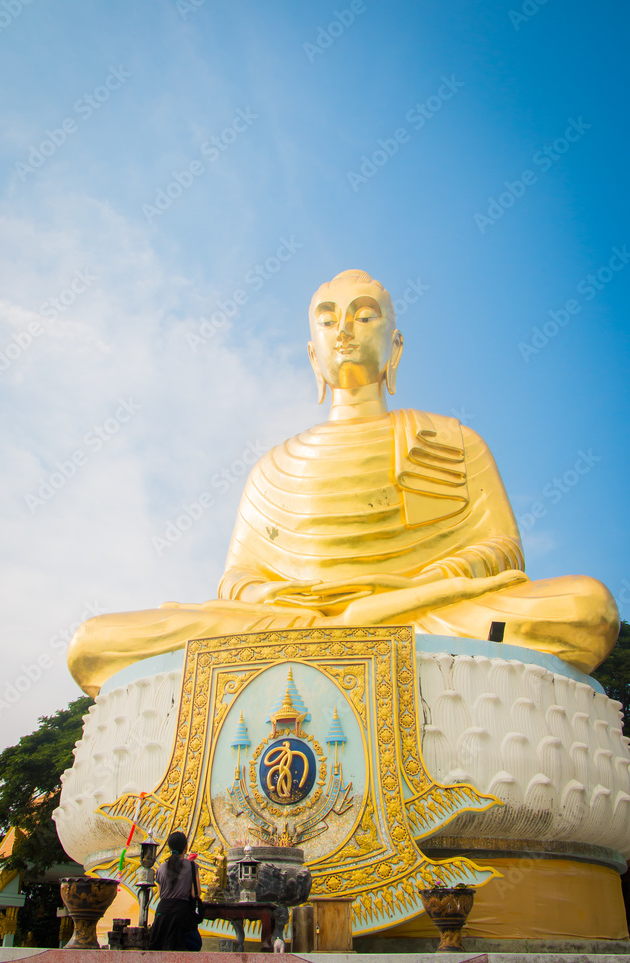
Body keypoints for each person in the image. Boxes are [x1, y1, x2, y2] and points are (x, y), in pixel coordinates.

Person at [68, 269, 618, 697]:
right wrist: (290, 603)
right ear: (313, 352)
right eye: (328, 320)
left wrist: (413, 588)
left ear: (395, 346)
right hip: (290, 621)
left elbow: (500, 551)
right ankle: (327, 636)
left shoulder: (448, 439)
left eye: (364, 316)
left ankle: (332, 638)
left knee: (585, 608)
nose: (345, 332)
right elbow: (237, 581)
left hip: (424, 612)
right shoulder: (273, 467)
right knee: (93, 644)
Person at [148, 831, 202, 952]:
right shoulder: (192, 866)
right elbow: (196, 893)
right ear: (185, 847)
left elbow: (161, 894)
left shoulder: (161, 868)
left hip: (163, 915)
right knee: (193, 944)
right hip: (182, 915)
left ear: (169, 847)